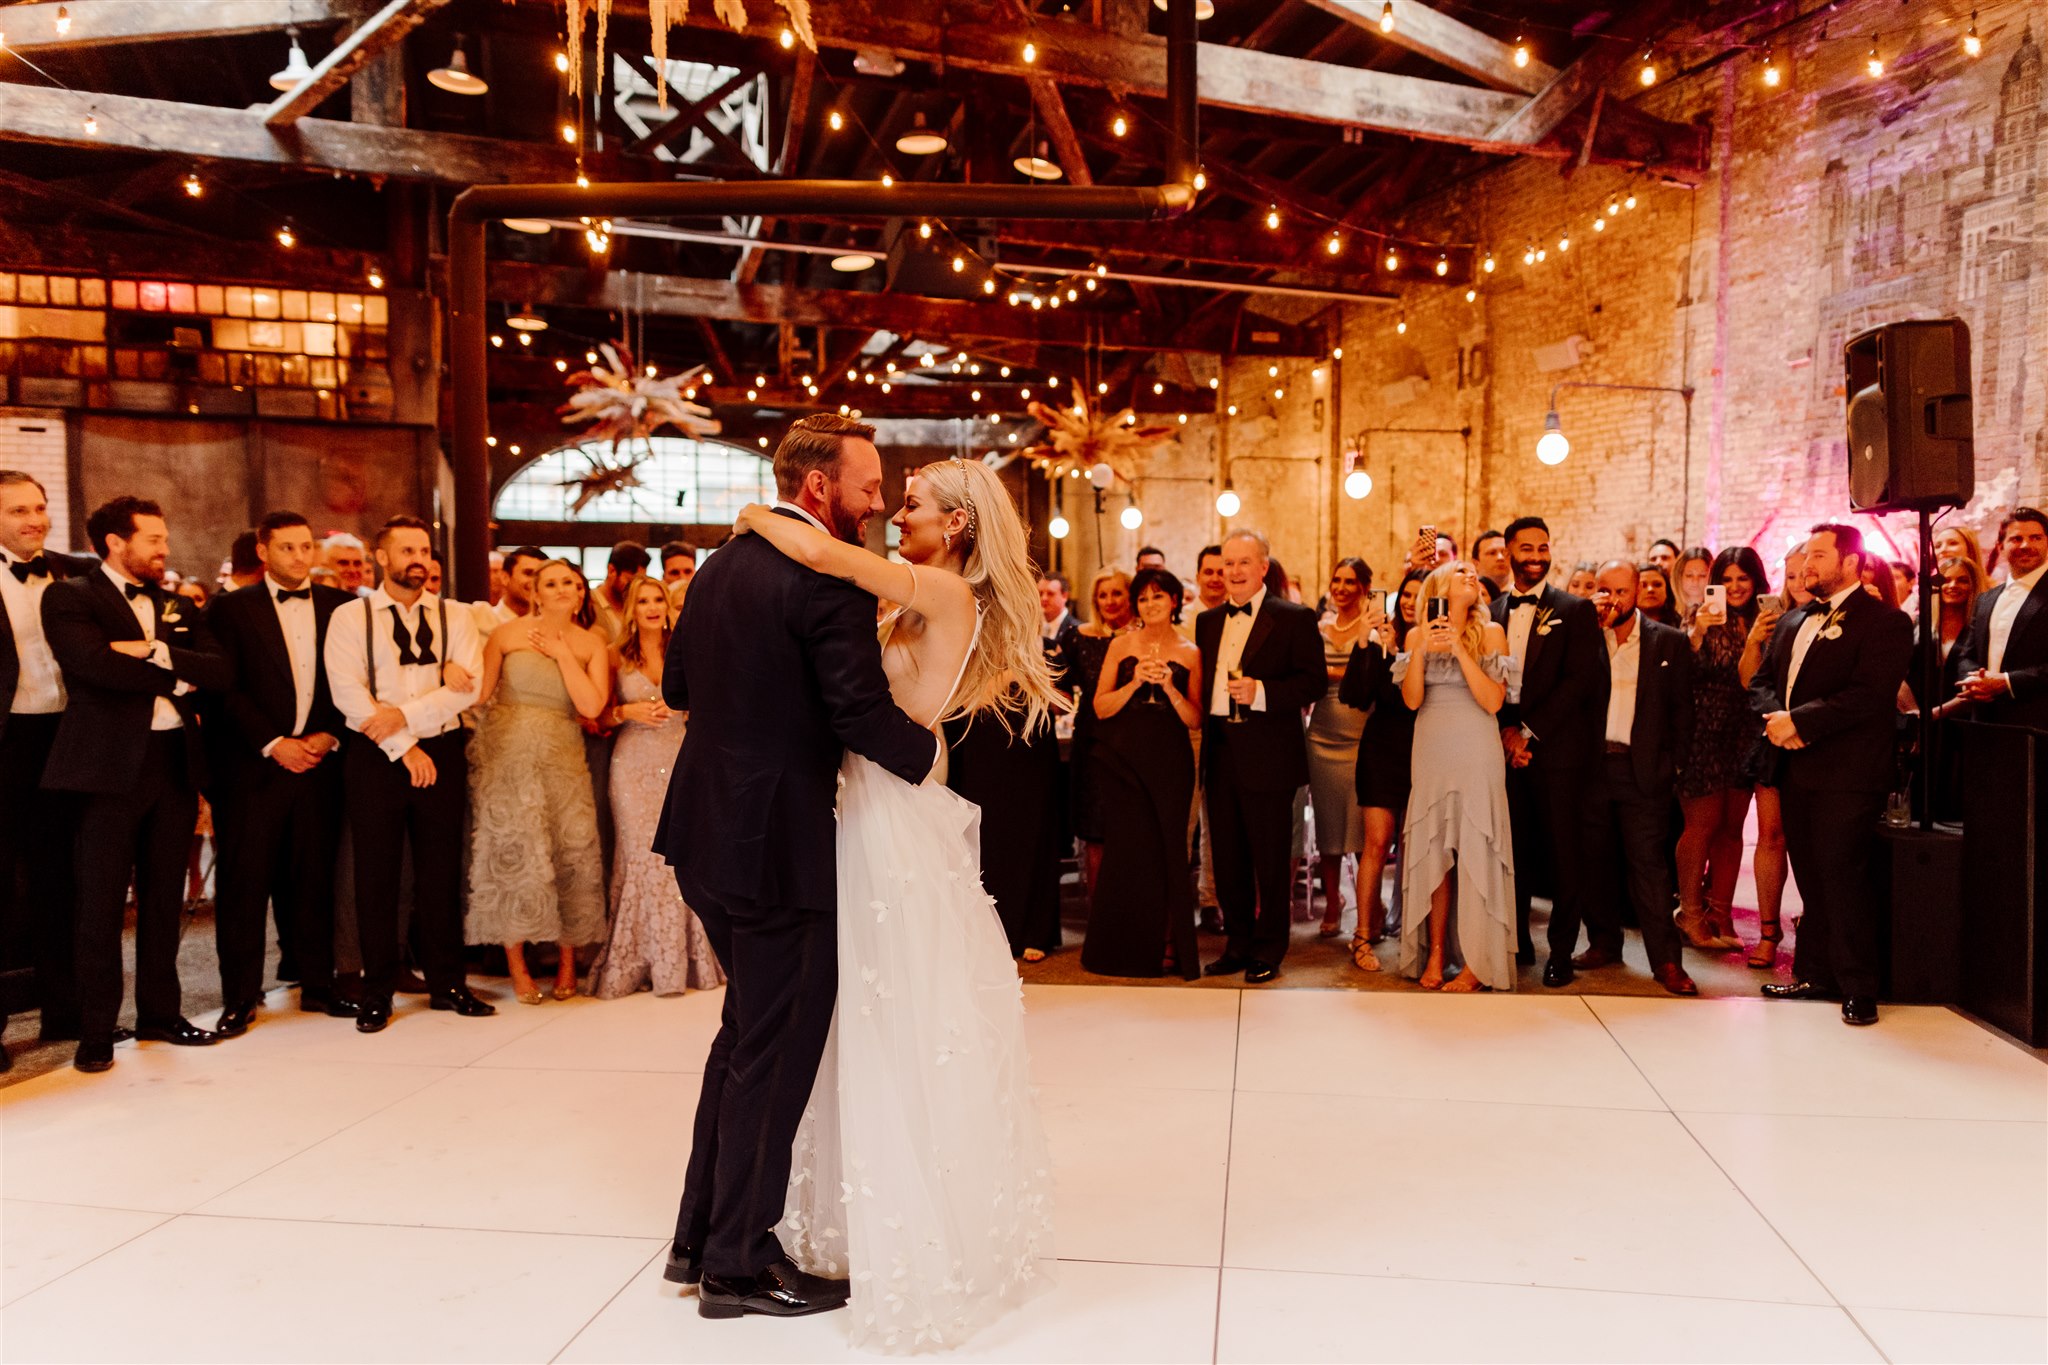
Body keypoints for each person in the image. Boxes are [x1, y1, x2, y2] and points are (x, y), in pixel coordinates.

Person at [656, 414, 939, 1323]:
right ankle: (739, 1265)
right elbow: (859, 714)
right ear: (819, 488)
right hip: (775, 847)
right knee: (773, 1057)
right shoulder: (828, 583)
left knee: (743, 1038)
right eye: (866, 486)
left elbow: (677, 689)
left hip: (702, 832)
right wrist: (932, 756)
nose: (876, 503)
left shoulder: (716, 567)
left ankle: (697, 1236)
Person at [42, 497, 232, 1072]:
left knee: (162, 900)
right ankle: (96, 1030)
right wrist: (178, 674)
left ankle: (160, 1013)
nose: (164, 548)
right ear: (114, 542)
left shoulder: (175, 602)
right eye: (152, 538)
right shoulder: (71, 596)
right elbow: (93, 667)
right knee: (99, 904)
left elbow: (220, 671)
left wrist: (155, 651)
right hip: (105, 768)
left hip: (173, 763)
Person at [324, 515, 495, 1034]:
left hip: (440, 750)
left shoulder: (456, 616)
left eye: (424, 550)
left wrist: (404, 718)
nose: (419, 559)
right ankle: (377, 990)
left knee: (441, 873)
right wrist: (404, 744)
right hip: (375, 756)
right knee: (376, 875)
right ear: (382, 557)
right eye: (407, 550)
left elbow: (468, 688)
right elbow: (349, 696)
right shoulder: (350, 618)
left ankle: (448, 983)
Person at [1752, 523, 1913, 1027]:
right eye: (1804, 558)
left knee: (1843, 875)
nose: (1806, 566)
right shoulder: (1792, 619)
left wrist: (1800, 722)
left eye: (1819, 556)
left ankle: (1858, 986)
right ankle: (1816, 973)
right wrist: (1778, 720)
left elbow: (1869, 695)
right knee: (1812, 877)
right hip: (1796, 766)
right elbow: (1760, 682)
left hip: (1848, 771)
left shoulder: (1884, 622)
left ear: (1850, 563)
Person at [202, 512, 355, 1034]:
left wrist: (327, 733)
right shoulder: (229, 608)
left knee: (314, 879)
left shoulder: (342, 607)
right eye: (287, 548)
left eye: (306, 546)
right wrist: (274, 744)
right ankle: (240, 997)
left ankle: (318, 985)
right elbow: (222, 687)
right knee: (244, 884)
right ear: (264, 553)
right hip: (252, 768)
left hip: (320, 763)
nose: (299, 556)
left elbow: (353, 681)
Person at [467, 558, 611, 1004]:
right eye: (552, 582)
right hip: (507, 756)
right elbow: (480, 694)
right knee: (513, 850)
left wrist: (563, 653)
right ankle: (517, 966)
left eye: (571, 582)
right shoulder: (506, 635)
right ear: (536, 591)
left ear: (581, 592)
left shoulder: (592, 644)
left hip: (562, 756)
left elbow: (590, 705)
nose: (563, 589)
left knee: (570, 850)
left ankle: (568, 962)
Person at [1195, 529, 1325, 984]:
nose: (1232, 572)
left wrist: (1262, 692)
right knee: (1227, 858)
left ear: (1263, 567)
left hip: (1269, 756)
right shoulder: (1207, 623)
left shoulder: (1294, 618)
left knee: (1270, 860)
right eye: (1227, 563)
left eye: (1242, 563)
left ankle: (1270, 947)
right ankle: (1238, 943)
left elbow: (1313, 684)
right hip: (1221, 753)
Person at [0, 470, 96, 1067]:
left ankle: (68, 1010)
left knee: (65, 879)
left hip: (68, 739)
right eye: (18, 511)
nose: (35, 519)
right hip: (5, 743)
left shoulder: (79, 572)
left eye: (39, 507)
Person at [588, 575, 722, 997]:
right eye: (643, 600)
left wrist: (686, 707)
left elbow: (712, 702)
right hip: (632, 764)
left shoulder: (684, 650)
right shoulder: (614, 655)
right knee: (639, 858)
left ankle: (685, 962)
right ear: (631, 608)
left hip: (679, 755)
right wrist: (626, 710)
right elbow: (597, 715)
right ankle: (637, 960)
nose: (651, 607)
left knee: (679, 856)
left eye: (658, 600)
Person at [1492, 516, 1609, 986]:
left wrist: (1528, 732)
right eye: (1527, 548)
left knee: (1564, 853)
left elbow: (1580, 682)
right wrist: (1505, 733)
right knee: (1512, 849)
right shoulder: (1494, 610)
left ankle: (1560, 950)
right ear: (1508, 552)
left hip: (1557, 751)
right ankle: (1517, 941)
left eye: (1543, 548)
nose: (1537, 556)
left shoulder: (1574, 609)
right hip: (1504, 751)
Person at [1397, 560, 1514, 991]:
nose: (1471, 576)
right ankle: (1436, 956)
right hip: (1430, 746)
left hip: (1477, 747)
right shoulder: (1416, 634)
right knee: (1434, 852)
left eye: (1473, 575)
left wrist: (1461, 650)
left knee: (1474, 849)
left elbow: (1493, 702)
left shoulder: (1493, 633)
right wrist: (1424, 649)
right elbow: (1411, 701)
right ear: (1439, 587)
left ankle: (1476, 964)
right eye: (1460, 572)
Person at [1583, 561, 1697, 995]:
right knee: (1596, 861)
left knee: (1649, 868)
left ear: (1638, 591)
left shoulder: (1667, 642)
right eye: (1603, 589)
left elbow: (1683, 711)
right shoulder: (1586, 638)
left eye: (1621, 590)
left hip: (1642, 769)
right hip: (1593, 768)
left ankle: (1667, 962)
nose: (1613, 598)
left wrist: (1674, 764)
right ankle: (1603, 943)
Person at [1082, 566, 1202, 978]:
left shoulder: (1190, 652)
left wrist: (1169, 688)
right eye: (1144, 597)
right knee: (1127, 853)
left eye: (1158, 596)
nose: (1150, 604)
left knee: (1169, 852)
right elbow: (1100, 707)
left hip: (1170, 762)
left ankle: (1170, 947)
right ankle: (1120, 951)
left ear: (1174, 601)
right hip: (1123, 762)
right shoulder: (1121, 645)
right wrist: (1134, 683)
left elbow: (1195, 719)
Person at [1675, 547, 1772, 954]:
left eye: (1742, 579)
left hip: (1746, 728)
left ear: (1756, 582)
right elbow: (1682, 671)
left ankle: (1722, 912)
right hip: (1704, 728)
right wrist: (1696, 631)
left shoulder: (1768, 620)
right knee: (1701, 824)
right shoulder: (1700, 617)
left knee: (1732, 829)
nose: (1734, 587)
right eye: (1727, 579)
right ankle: (1690, 913)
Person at [1341, 568, 1423, 969]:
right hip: (1381, 750)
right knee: (1377, 842)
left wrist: (1403, 656)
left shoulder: (1437, 642)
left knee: (1419, 848)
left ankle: (1417, 934)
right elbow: (1353, 695)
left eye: (1418, 595)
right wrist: (1365, 642)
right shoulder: (1379, 639)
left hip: (1425, 751)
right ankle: (1361, 934)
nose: (1409, 601)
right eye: (1405, 594)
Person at [1308, 557, 1372, 935]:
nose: (1342, 587)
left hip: (1365, 731)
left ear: (1365, 586)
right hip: (1323, 733)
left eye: (1350, 581)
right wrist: (1347, 671)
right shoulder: (1317, 628)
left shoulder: (1373, 626)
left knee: (1367, 828)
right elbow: (1309, 675)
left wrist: (1331, 672)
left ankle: (1369, 904)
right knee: (1329, 826)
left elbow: (1374, 676)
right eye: (1337, 580)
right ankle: (1332, 903)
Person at [1065, 567, 1134, 894]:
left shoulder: (1143, 637)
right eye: (1102, 595)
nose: (1109, 601)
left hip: (1134, 742)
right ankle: (1099, 919)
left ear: (1130, 595)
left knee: (1132, 830)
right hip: (1092, 742)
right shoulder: (1078, 637)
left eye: (1117, 593)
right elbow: (1062, 691)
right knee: (1095, 832)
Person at [1954, 507, 2047, 729]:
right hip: (1984, 720)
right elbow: (1967, 655)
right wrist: (1976, 681)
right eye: (2016, 539)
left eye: (2035, 538)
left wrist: (2006, 682)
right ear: (2001, 546)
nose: (2026, 545)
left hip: (2039, 724)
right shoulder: (1986, 599)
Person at [592, 541, 650, 637]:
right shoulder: (588, 603)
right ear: (611, 571)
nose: (634, 586)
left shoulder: (636, 605)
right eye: (630, 580)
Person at [1636, 562, 1682, 630]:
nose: (1650, 590)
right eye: (1643, 585)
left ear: (1667, 590)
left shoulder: (1681, 625)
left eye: (1657, 585)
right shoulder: (1619, 625)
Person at [1676, 546, 1714, 615]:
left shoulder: (1718, 609)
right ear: (1679, 577)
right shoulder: (1670, 611)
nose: (1695, 581)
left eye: (1702, 575)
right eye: (1689, 575)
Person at [1473, 529, 1510, 598]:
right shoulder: (1468, 598)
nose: (1501, 558)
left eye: (1505, 552)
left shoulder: (1524, 595)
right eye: (1492, 553)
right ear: (1476, 563)